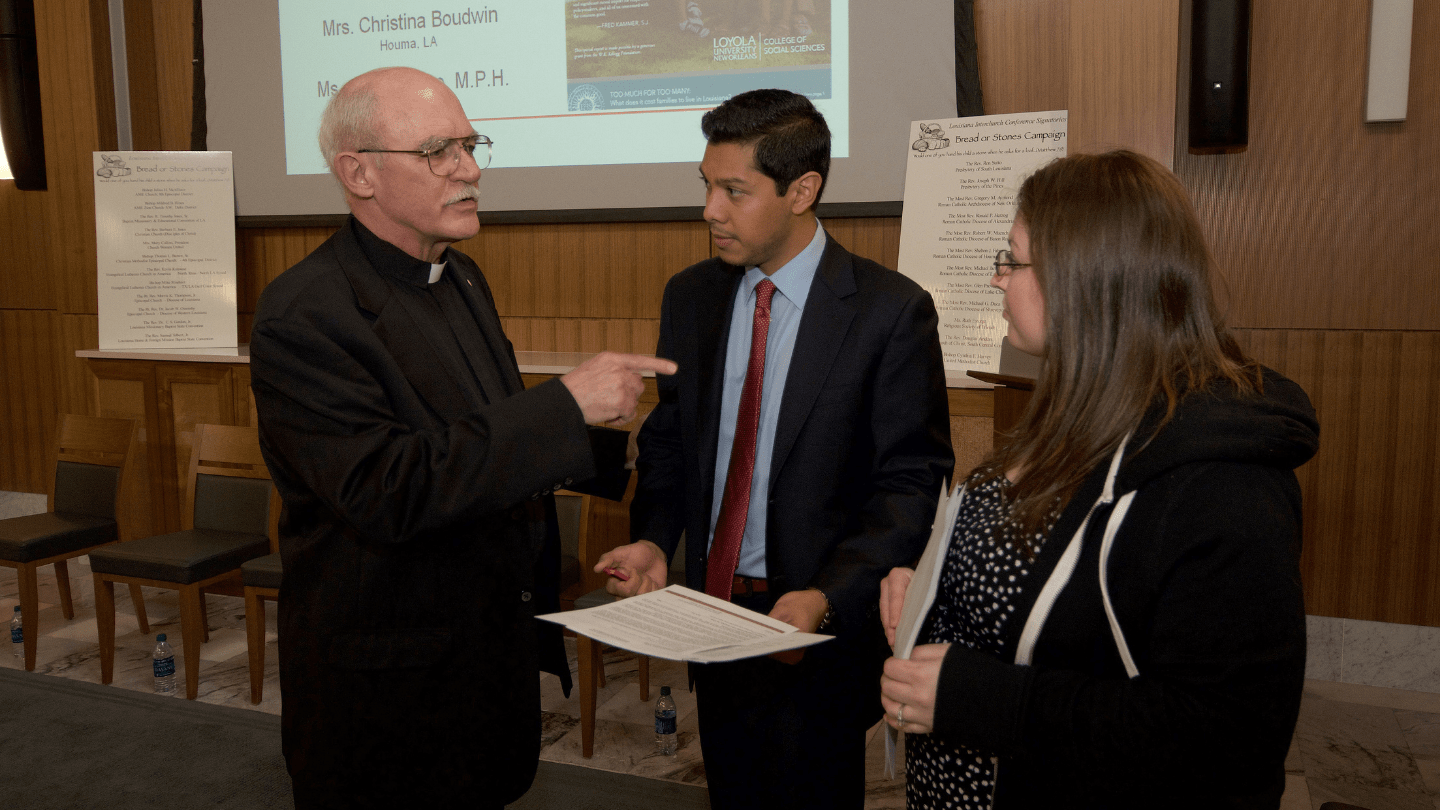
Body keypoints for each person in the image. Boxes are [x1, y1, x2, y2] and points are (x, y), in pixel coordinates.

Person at [248, 67, 676, 809]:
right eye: (439, 151)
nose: (470, 169)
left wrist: (628, 455)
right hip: (389, 698)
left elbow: (488, 438)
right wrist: (565, 405)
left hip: (484, 668)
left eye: (471, 145)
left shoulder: (461, 276)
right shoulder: (305, 314)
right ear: (359, 173)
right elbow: (390, 489)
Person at [877, 150, 1319, 809]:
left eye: (1014, 258)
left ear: (1086, 281)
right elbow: (1030, 589)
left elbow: (1228, 738)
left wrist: (990, 702)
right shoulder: (1077, 410)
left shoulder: (1220, 485)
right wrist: (932, 593)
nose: (998, 278)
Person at [595, 88, 954, 809]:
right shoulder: (691, 297)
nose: (710, 210)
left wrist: (828, 597)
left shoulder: (889, 311)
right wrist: (655, 540)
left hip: (814, 630)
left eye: (734, 190)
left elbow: (911, 484)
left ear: (803, 190)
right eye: (706, 185)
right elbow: (670, 443)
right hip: (712, 613)